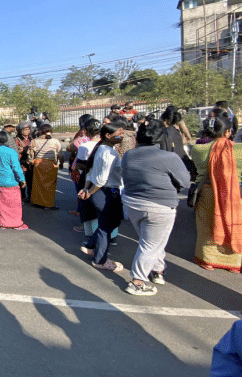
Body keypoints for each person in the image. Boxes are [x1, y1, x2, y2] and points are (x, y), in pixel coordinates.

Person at [121, 120, 190, 296]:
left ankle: (158, 271)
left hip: (132, 204)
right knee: (151, 244)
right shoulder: (169, 157)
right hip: (160, 207)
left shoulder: (129, 155)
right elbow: (184, 182)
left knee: (151, 241)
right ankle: (137, 282)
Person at [190, 117, 242, 272]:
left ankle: (207, 260)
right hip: (233, 194)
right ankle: (232, 263)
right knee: (231, 223)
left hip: (207, 192)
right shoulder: (239, 150)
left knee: (206, 226)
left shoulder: (197, 149)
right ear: (228, 132)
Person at [78, 123, 125, 272]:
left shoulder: (102, 149)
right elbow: (101, 178)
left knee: (109, 224)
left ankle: (91, 246)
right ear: (108, 135)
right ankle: (100, 260)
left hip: (101, 192)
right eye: (119, 133)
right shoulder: (107, 152)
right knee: (106, 227)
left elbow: (91, 172)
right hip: (105, 192)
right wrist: (89, 191)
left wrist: (87, 188)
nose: (122, 136)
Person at [0, 131, 27, 230]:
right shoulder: (10, 151)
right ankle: (16, 224)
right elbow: (16, 168)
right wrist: (22, 179)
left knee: (1, 204)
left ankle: (4, 223)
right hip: (10, 181)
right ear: (6, 140)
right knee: (14, 204)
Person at [28, 124, 61, 210]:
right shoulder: (55, 141)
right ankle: (48, 204)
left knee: (38, 184)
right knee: (50, 185)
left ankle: (38, 202)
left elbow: (31, 153)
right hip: (51, 164)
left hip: (39, 164)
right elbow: (59, 153)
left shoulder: (34, 141)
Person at [15, 121, 33, 201]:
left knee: (30, 181)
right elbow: (18, 150)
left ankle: (30, 196)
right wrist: (24, 150)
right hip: (21, 163)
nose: (27, 131)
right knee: (22, 181)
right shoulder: (17, 139)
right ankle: (22, 196)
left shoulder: (31, 138)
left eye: (28, 129)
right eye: (25, 129)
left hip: (30, 162)